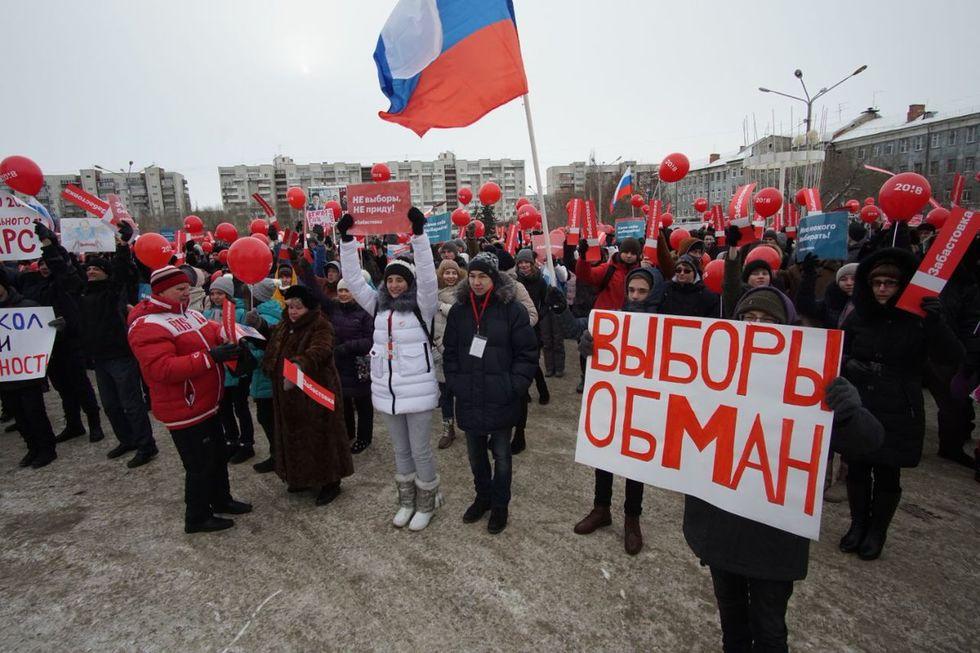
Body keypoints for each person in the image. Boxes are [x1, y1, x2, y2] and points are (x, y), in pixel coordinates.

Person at [685, 285, 885, 652]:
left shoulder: (811, 377)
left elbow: (870, 442)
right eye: (748, 319)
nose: (757, 327)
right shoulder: (710, 370)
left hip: (774, 532)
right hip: (720, 523)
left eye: (768, 321)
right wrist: (605, 352)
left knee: (769, 624)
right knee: (730, 614)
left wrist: (848, 414)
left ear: (788, 327)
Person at [839, 248, 963, 560]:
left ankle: (876, 531)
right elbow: (839, 352)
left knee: (886, 472)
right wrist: (850, 364)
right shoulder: (858, 317)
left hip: (898, 406)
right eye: (877, 282)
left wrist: (937, 323)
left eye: (890, 283)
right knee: (856, 467)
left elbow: (951, 357)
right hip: (861, 402)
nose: (882, 288)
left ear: (902, 285)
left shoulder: (919, 319)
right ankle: (857, 525)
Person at [337, 208, 443, 531]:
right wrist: (345, 242)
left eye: (400, 280)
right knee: (400, 450)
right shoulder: (377, 306)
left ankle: (427, 502)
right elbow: (354, 281)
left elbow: (427, 277)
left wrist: (420, 236)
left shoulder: (422, 305)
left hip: (419, 392)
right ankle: (407, 500)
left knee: (420, 449)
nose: (395, 285)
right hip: (387, 394)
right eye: (391, 280)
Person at [128, 266, 251, 533]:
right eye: (179, 289)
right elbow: (162, 369)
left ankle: (221, 499)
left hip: (208, 403)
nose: (186, 294)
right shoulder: (148, 325)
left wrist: (237, 335)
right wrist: (211, 357)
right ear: (160, 291)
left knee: (217, 456)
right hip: (185, 408)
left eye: (187, 288)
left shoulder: (190, 314)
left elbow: (213, 330)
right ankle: (196, 517)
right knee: (199, 465)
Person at [443, 252, 538, 534]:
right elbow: (449, 352)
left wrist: (514, 386)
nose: (476, 282)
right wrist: (456, 382)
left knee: (502, 456)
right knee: (475, 456)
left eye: (483, 276)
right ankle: (482, 497)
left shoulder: (512, 310)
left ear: (493, 278)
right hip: (469, 395)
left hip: (501, 397)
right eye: (472, 276)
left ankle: (500, 505)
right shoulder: (460, 311)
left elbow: (527, 353)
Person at [574, 268, 659, 554]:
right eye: (631, 290)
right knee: (605, 455)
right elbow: (591, 352)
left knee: (635, 463)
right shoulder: (613, 320)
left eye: (642, 291)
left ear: (653, 292)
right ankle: (601, 508)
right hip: (612, 399)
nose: (635, 296)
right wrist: (587, 344)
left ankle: (632, 518)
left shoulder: (665, 325)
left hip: (644, 404)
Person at [261, 284, 354, 505]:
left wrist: (299, 365)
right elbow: (273, 345)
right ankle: (301, 476)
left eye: (298, 307)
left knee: (321, 436)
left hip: (316, 391)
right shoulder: (285, 324)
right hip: (287, 394)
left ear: (309, 307)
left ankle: (331, 481)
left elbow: (320, 349)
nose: (293, 311)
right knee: (295, 436)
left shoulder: (320, 325)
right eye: (290, 306)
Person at [80, 224, 158, 469]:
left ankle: (147, 445)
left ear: (106, 273)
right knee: (111, 405)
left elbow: (123, 273)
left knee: (131, 404)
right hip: (99, 358)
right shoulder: (83, 293)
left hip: (120, 356)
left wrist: (123, 246)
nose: (91, 272)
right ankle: (128, 440)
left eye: (96, 269)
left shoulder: (114, 292)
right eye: (89, 268)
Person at [29, 222, 106, 444]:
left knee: (80, 384)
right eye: (40, 263)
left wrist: (50, 245)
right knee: (62, 386)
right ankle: (73, 424)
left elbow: (64, 267)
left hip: (71, 341)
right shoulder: (34, 286)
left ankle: (94, 423)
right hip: (48, 344)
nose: (44, 267)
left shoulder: (67, 283)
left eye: (47, 263)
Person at [0, 269, 59, 468]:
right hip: (5, 376)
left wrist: (56, 326)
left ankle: (47, 449)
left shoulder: (28, 307)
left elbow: (44, 337)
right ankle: (32, 448)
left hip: (27, 375)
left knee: (35, 413)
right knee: (19, 416)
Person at [204, 274, 255, 463]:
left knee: (240, 407)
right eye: (213, 293)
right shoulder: (207, 314)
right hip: (220, 370)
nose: (216, 297)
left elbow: (245, 337)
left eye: (220, 293)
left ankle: (247, 443)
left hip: (237, 368)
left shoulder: (240, 312)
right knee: (224, 408)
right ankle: (231, 439)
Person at [329, 278, 375, 454]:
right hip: (340, 363)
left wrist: (346, 347)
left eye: (347, 290)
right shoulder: (335, 310)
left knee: (363, 403)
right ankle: (348, 433)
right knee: (344, 400)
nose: (343, 294)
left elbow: (370, 340)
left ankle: (364, 437)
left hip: (359, 364)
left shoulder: (365, 312)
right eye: (340, 290)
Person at [242, 278, 282, 473]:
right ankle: (277, 455)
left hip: (268, 378)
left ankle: (279, 457)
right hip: (261, 377)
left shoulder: (268, 318)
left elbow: (270, 349)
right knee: (267, 418)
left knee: (269, 420)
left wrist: (248, 355)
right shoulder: (261, 313)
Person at [434, 259, 461, 449]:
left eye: (453, 272)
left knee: (462, 392)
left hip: (460, 351)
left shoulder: (464, 294)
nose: (450, 276)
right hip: (440, 350)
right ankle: (447, 428)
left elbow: (460, 314)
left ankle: (468, 425)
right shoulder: (433, 295)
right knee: (445, 395)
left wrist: (441, 305)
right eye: (446, 273)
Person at [658, 253, 720, 318]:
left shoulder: (707, 296)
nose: (682, 273)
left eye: (686, 271)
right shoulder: (665, 289)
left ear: (695, 273)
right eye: (678, 270)